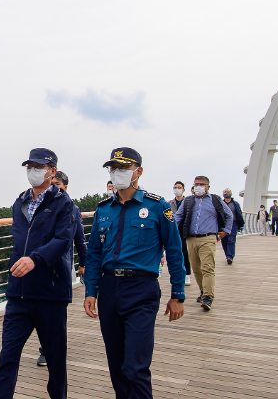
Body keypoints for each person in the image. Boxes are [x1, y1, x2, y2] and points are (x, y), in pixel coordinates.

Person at [84, 147, 185, 399]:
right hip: (109, 289)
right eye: (113, 169)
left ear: (138, 171)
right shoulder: (104, 209)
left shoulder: (157, 206)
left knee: (136, 366)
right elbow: (94, 253)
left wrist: (178, 294)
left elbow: (174, 250)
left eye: (123, 168)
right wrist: (90, 290)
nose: (116, 173)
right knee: (116, 365)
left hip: (142, 290)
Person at [0, 148, 74, 399]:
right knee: (7, 357)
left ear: (52, 171)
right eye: (29, 167)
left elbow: (63, 240)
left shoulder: (64, 204)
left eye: (39, 167)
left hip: (50, 294)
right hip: (18, 294)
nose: (33, 171)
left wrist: (35, 260)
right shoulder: (20, 201)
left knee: (55, 361)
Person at [36, 170, 87, 367]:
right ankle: (45, 347)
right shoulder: (40, 205)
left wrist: (83, 263)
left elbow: (80, 240)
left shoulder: (71, 208)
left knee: (56, 314)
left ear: (65, 186)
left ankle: (51, 351)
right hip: (39, 266)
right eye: (51, 184)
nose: (53, 187)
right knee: (40, 312)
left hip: (60, 267)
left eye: (57, 184)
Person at [174, 176, 233, 311]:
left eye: (201, 184)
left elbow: (229, 215)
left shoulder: (215, 200)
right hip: (190, 238)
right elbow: (178, 216)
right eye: (196, 184)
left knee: (207, 267)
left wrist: (225, 231)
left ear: (208, 187)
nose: (198, 187)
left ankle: (208, 296)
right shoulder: (188, 200)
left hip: (208, 238)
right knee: (196, 268)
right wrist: (170, 229)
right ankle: (202, 291)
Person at [169, 181, 192, 286]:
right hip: (174, 230)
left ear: (183, 190)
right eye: (175, 187)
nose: (177, 189)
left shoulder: (187, 202)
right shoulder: (170, 203)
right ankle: (177, 274)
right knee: (175, 253)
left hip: (185, 230)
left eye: (179, 187)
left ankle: (187, 274)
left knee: (185, 252)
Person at [221, 189, 245, 265]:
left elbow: (239, 214)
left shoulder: (235, 204)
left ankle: (230, 256)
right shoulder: (220, 204)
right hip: (223, 224)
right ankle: (227, 255)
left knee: (231, 239)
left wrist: (241, 224)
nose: (226, 193)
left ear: (231, 193)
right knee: (224, 240)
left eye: (228, 192)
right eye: (225, 192)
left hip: (233, 224)